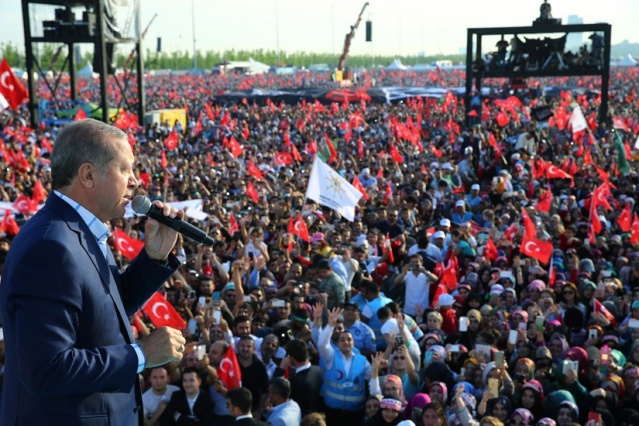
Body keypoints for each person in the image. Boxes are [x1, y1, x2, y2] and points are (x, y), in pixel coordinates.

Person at [0, 119, 187, 425]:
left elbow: (101, 315)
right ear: (88, 175)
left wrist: (153, 258)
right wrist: (140, 355)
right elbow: (46, 369)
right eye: (125, 169)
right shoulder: (51, 247)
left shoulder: (78, 233)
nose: (136, 181)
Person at [319, 307, 372, 424]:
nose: (346, 342)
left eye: (349, 339)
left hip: (355, 413)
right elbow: (322, 344)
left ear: (353, 343)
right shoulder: (331, 357)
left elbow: (372, 381)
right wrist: (330, 326)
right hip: (333, 412)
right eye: (342, 340)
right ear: (338, 344)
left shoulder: (363, 361)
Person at [275, 339, 325, 416]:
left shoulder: (295, 381)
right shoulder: (318, 370)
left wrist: (281, 369)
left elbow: (275, 390)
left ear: (291, 357)